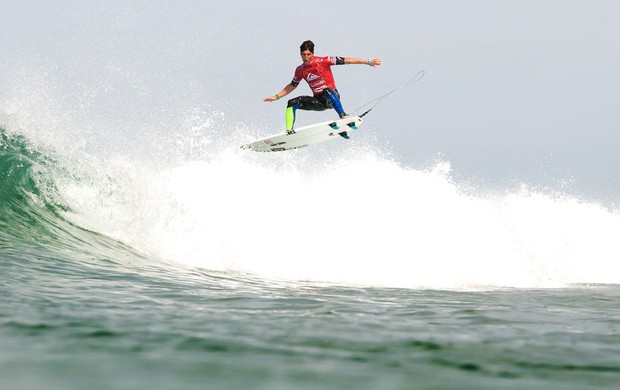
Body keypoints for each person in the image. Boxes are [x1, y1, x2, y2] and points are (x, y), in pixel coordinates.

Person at [264, 40, 381, 134]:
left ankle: (343, 116)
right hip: (318, 102)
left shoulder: (324, 61)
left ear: (312, 54)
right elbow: (292, 85)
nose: (306, 57)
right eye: (303, 55)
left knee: (327, 91)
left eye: (308, 54)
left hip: (331, 97)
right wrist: (277, 96)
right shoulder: (300, 70)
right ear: (300, 54)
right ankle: (289, 132)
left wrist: (368, 61)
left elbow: (348, 60)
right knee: (292, 102)